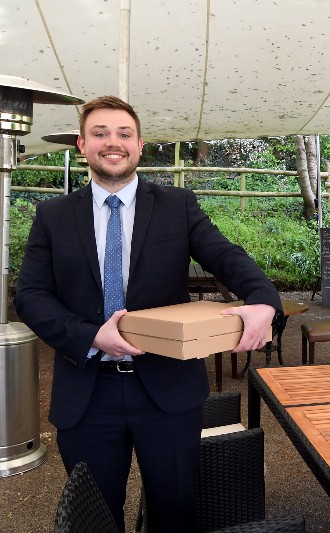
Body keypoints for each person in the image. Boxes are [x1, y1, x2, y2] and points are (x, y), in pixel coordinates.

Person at [14, 95, 282, 532]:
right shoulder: (53, 215)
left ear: (140, 145)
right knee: (98, 514)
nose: (112, 142)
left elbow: (225, 256)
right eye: (100, 134)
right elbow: (31, 296)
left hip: (167, 390)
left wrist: (263, 301)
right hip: (87, 392)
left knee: (174, 508)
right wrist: (91, 336)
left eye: (124, 134)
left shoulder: (177, 206)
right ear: (82, 145)